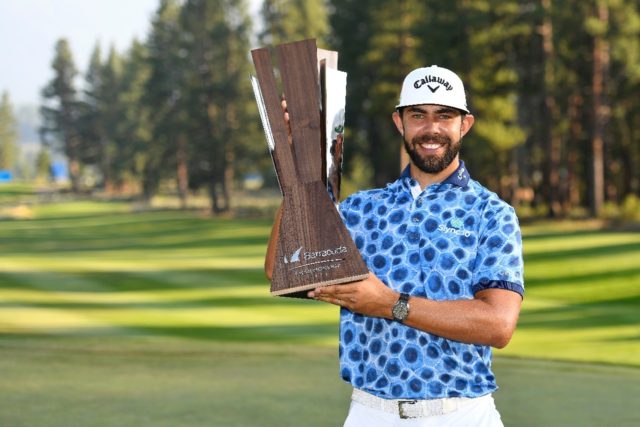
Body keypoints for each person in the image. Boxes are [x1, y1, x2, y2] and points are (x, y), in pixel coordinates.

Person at [266, 65, 524, 426]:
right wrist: (299, 161)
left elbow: (498, 325)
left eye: (444, 116)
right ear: (399, 122)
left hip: (462, 414)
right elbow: (284, 267)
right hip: (371, 413)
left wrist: (391, 304)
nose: (431, 129)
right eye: (418, 115)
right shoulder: (361, 208)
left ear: (464, 125)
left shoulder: (492, 213)